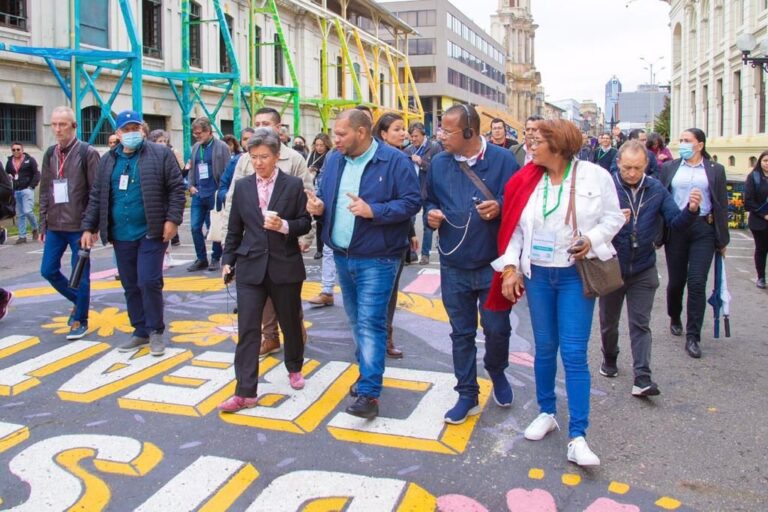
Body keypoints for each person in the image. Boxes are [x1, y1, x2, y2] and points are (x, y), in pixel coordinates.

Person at [488, 118, 624, 467]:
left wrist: (592, 239)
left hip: (575, 275)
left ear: (559, 146)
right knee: (544, 347)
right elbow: (516, 229)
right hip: (537, 275)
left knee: (575, 353)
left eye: (538, 141)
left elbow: (614, 218)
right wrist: (510, 267)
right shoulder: (528, 179)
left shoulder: (596, 176)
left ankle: (578, 435)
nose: (531, 145)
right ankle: (547, 411)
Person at [305, 108, 421, 419]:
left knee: (370, 322)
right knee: (356, 321)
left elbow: (412, 202)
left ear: (361, 132)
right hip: (343, 255)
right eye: (334, 134)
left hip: (378, 257)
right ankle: (366, 373)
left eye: (341, 134)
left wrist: (375, 211)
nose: (335, 139)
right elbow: (324, 195)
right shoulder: (333, 159)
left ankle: (369, 392)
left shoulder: (394, 161)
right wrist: (317, 206)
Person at [425, 103, 520, 424]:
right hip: (453, 264)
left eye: (447, 131)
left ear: (469, 132)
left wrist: (501, 206)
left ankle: (497, 371)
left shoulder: (503, 160)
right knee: (461, 333)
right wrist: (431, 215)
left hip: (493, 265)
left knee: (497, 328)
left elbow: (521, 202)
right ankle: (467, 392)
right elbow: (430, 199)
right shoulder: (438, 163)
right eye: (440, 130)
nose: (441, 136)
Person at [218, 128, 312, 412]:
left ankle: (294, 366)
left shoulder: (293, 185)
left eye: (264, 157)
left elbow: (305, 223)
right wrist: (227, 259)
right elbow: (235, 228)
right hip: (250, 265)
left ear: (276, 156)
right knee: (248, 329)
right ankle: (245, 391)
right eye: (254, 156)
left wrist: (284, 226)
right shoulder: (244, 186)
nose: (259, 162)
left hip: (284, 264)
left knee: (290, 322)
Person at [599, 141, 700, 397]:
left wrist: (691, 210)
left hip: (643, 267)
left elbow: (675, 223)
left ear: (646, 165)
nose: (631, 173)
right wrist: (613, 223)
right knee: (608, 323)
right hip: (612, 266)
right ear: (618, 164)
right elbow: (589, 224)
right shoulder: (607, 187)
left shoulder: (655, 189)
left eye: (637, 168)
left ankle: (642, 377)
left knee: (640, 324)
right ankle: (609, 358)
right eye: (626, 168)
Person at [81, 110, 186, 356]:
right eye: (125, 129)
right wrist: (89, 226)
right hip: (121, 233)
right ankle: (140, 331)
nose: (131, 133)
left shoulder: (160, 154)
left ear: (143, 129)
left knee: (148, 281)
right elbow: (97, 195)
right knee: (130, 284)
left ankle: (156, 331)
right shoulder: (108, 160)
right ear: (117, 133)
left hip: (151, 230)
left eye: (135, 128)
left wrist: (172, 220)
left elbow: (176, 189)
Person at [660, 128, 729, 359]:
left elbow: (721, 204)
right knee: (677, 281)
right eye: (680, 141)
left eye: (687, 141)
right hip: (677, 227)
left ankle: (693, 336)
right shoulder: (670, 168)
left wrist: (722, 239)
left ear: (700, 145)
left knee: (697, 282)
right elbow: (662, 199)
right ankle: (675, 315)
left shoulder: (715, 170)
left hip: (703, 228)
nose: (682, 144)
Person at [38, 106, 101, 340]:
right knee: (48, 270)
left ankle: (80, 319)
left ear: (74, 126)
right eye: (54, 124)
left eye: (62, 124)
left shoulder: (87, 152)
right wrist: (43, 223)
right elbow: (45, 190)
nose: (57, 129)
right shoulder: (49, 154)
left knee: (80, 275)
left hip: (79, 226)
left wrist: (92, 227)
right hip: (55, 224)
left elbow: (96, 191)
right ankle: (79, 301)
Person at [374, 112, 415, 359]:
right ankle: (375, 338)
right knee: (378, 292)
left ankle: (385, 337)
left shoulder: (403, 158)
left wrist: (411, 232)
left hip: (397, 234)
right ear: (383, 134)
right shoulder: (373, 159)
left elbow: (408, 200)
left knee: (390, 291)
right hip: (375, 237)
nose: (404, 133)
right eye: (397, 129)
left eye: (404, 129)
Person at [187, 117, 230, 272]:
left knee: (214, 227)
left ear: (208, 131)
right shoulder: (195, 148)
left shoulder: (222, 147)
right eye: (195, 134)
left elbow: (227, 169)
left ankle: (215, 257)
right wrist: (190, 185)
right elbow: (192, 168)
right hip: (198, 193)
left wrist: (223, 190)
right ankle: (201, 258)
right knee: (194, 227)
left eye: (199, 133)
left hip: (214, 192)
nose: (197, 136)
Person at [405, 122, 442, 265]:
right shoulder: (408, 150)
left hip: (428, 191)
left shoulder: (434, 147)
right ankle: (411, 253)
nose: (413, 139)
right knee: (410, 221)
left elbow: (438, 169)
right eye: (411, 136)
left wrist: (422, 162)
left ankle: (425, 254)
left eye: (416, 136)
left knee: (428, 223)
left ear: (423, 135)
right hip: (412, 191)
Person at [6, 142, 40, 244]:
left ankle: (35, 228)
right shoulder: (9, 162)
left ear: (22, 150)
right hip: (16, 190)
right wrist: (9, 177)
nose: (16, 151)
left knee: (27, 211)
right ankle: (22, 236)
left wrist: (32, 186)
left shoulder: (29, 160)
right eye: (14, 150)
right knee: (20, 214)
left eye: (18, 149)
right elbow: (7, 172)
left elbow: (37, 173)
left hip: (27, 189)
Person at [306, 133, 332, 260]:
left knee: (323, 220)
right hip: (312, 188)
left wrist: (317, 170)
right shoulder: (312, 155)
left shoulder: (330, 155)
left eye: (322, 145)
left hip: (323, 189)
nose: (319, 147)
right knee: (317, 220)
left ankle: (325, 248)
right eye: (317, 145)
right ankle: (319, 249)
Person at [745, 150, 768, 289]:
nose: (767, 164)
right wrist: (764, 215)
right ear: (760, 162)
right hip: (759, 221)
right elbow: (748, 202)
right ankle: (761, 277)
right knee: (762, 249)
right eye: (765, 161)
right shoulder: (754, 177)